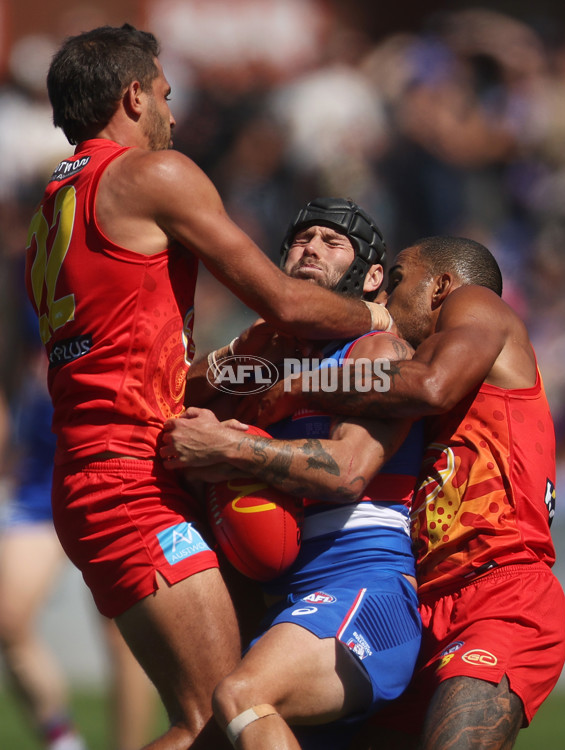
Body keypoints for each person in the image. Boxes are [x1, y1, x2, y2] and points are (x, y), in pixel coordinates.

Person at [23, 24, 395, 750]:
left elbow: (126, 343)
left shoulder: (52, 198)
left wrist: (232, 368)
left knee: (221, 718)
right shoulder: (153, 175)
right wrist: (378, 312)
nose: (172, 111)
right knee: (221, 720)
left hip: (98, 468)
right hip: (126, 474)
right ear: (132, 96)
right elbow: (283, 300)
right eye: (164, 94)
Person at [244, 235, 565, 750]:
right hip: (423, 604)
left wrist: (302, 382)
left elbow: (430, 385)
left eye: (395, 282)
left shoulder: (475, 304)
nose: (383, 303)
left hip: (500, 592)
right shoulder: (403, 374)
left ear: (440, 286)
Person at [160, 197, 424, 750]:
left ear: (372, 275)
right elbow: (177, 397)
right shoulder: (271, 360)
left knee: (241, 696)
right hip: (287, 604)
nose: (311, 248)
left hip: (362, 593)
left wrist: (232, 445)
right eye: (302, 239)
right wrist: (241, 353)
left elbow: (347, 473)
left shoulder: (377, 350)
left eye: (333, 242)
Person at [0, 339, 159, 750]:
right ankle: (63, 740)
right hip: (38, 483)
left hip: (109, 472)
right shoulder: (27, 287)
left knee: (122, 637)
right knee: (7, 618)